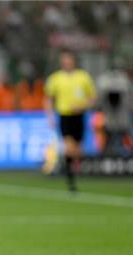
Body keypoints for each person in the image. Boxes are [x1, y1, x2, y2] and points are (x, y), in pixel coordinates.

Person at [45, 50, 96, 191]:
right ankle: (70, 179)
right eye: (64, 60)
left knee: (78, 150)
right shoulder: (55, 78)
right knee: (69, 146)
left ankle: (72, 169)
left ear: (73, 61)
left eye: (69, 60)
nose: (67, 63)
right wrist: (49, 116)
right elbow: (49, 98)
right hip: (65, 115)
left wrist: (84, 106)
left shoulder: (83, 77)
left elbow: (92, 97)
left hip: (79, 116)